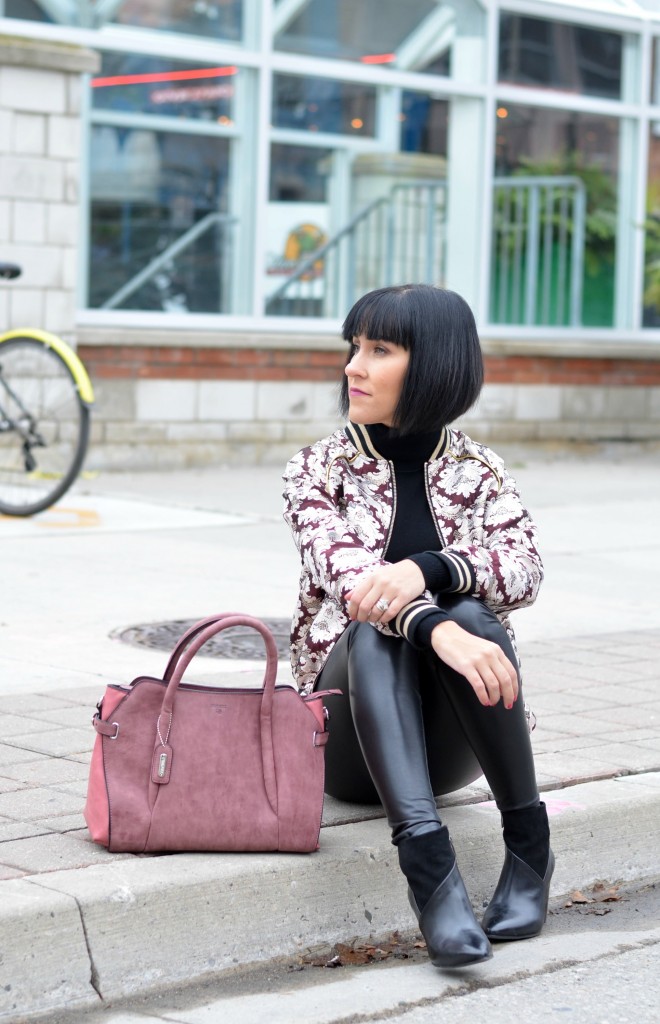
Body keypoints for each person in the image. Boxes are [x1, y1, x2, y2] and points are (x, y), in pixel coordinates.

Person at [282, 284, 553, 969]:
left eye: (379, 349)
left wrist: (432, 568)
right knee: (379, 627)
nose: (353, 365)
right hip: (348, 743)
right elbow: (349, 580)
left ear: (432, 363)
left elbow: (525, 570)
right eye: (353, 347)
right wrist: (434, 625)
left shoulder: (480, 471)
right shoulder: (317, 470)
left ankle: (530, 850)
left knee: (466, 608)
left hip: (453, 745)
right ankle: (432, 874)